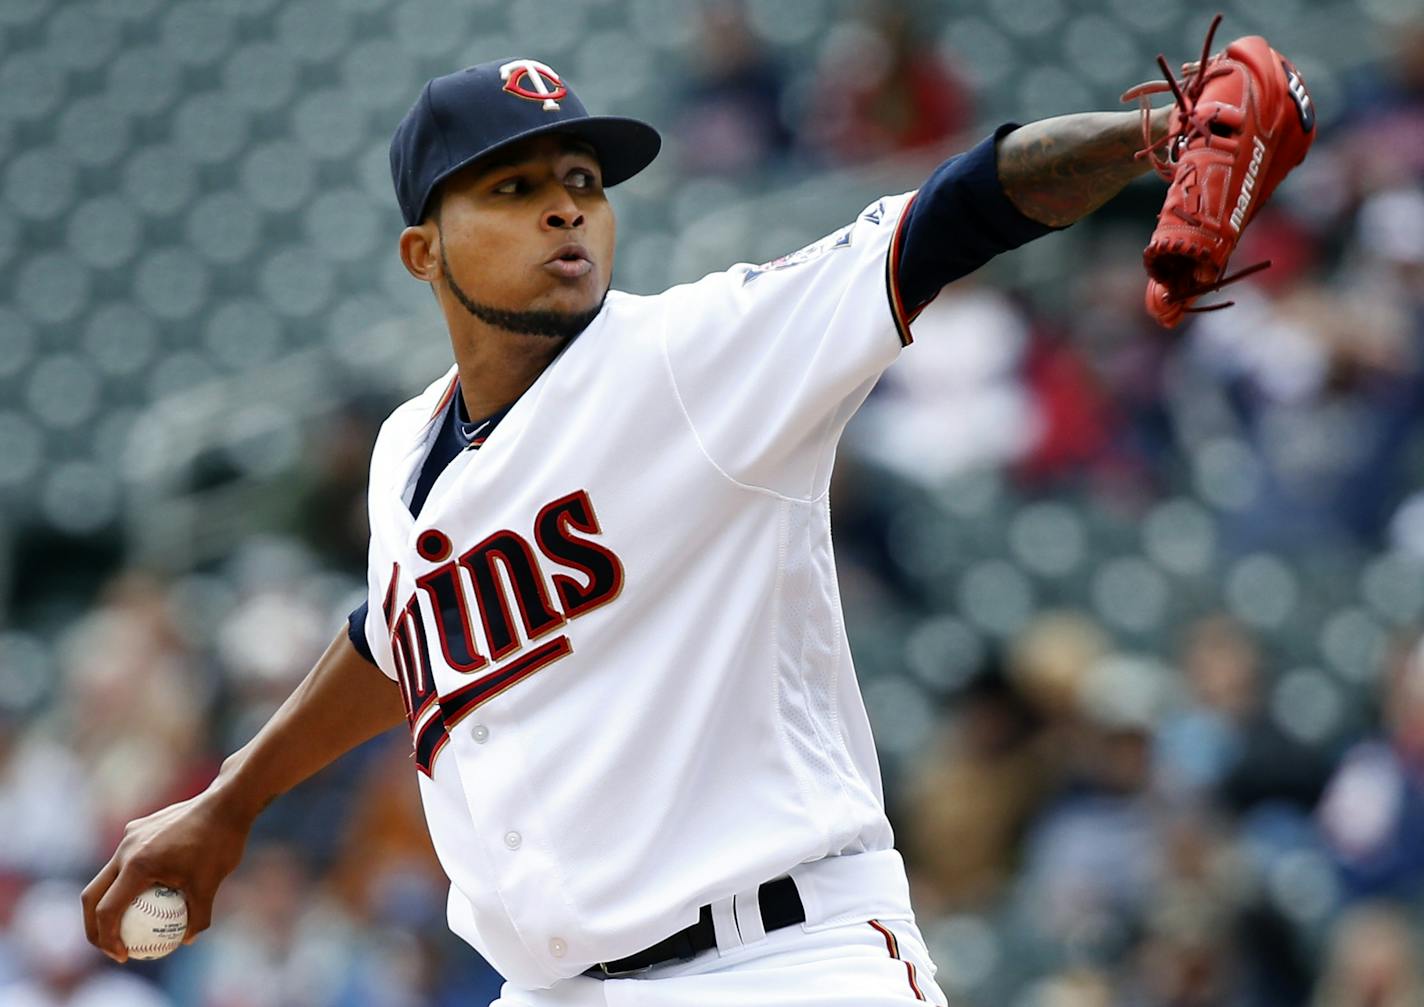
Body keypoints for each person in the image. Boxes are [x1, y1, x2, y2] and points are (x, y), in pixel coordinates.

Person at [83, 55, 1172, 1005]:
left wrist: (1145, 137)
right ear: (424, 254)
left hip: (781, 962)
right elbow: (399, 639)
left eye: (581, 184)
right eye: (512, 188)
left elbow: (947, 213)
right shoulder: (405, 443)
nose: (564, 210)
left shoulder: (690, 356)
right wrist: (232, 798)